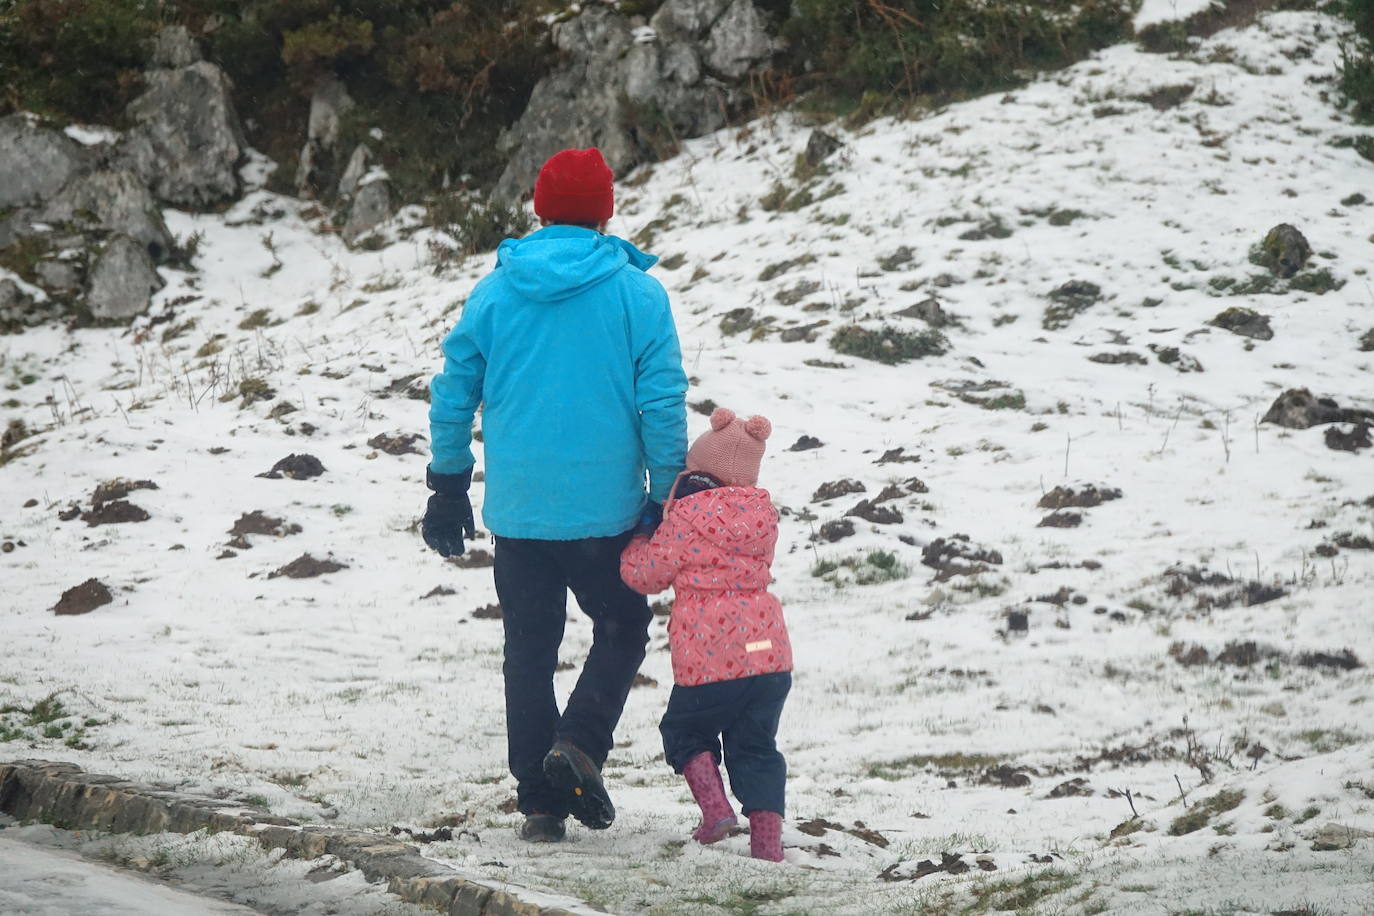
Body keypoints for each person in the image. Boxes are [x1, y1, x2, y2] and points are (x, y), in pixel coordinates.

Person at [422, 147, 688, 843]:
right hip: (606, 515)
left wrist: (448, 486)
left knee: (530, 651)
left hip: (521, 515)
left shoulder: (495, 292)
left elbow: (453, 393)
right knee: (623, 626)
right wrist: (667, 496)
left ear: (538, 209)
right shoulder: (637, 294)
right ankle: (577, 745)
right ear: (606, 212)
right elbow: (661, 403)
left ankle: (540, 802)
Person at [619, 407, 793, 862]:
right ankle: (767, 846)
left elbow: (648, 576)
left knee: (685, 730)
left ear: (697, 469)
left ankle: (716, 812)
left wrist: (639, 540)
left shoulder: (687, 517)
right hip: (768, 655)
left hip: (712, 657)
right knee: (755, 746)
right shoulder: (763, 517)